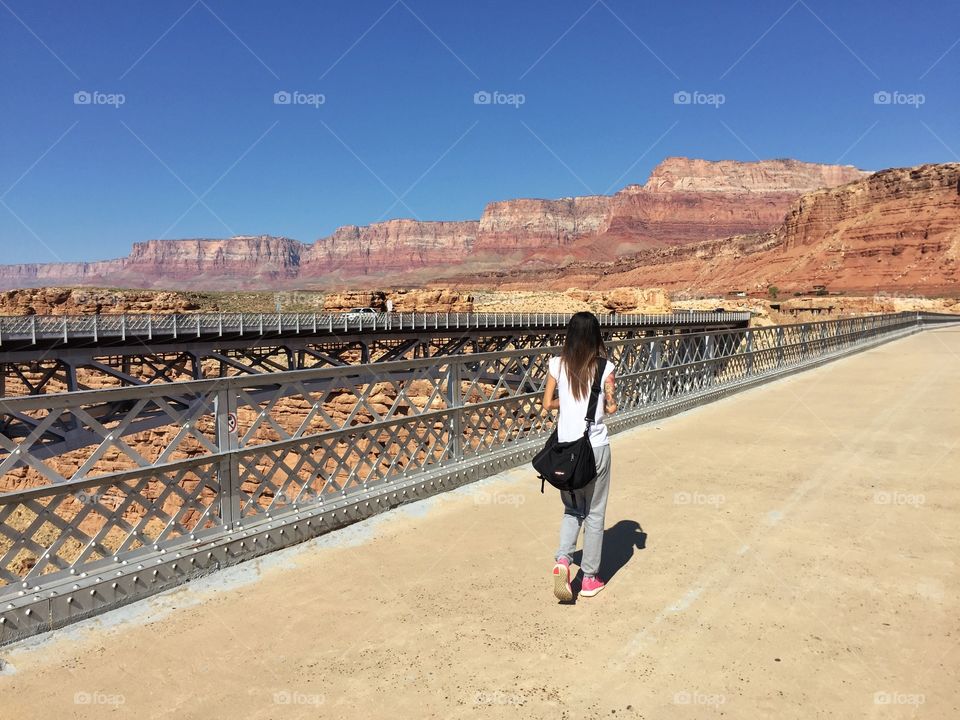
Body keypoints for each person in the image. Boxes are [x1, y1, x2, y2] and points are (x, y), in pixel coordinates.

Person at [541, 311, 617, 600]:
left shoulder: (556, 364)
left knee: (572, 510)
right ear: (595, 334)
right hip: (595, 448)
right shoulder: (604, 366)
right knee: (595, 513)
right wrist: (596, 398)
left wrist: (570, 399)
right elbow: (611, 408)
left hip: (566, 451)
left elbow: (548, 403)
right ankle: (589, 579)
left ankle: (562, 560)